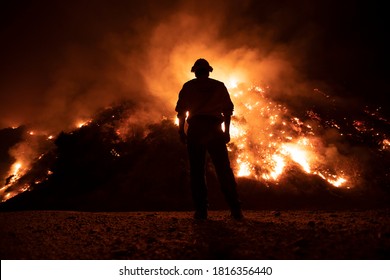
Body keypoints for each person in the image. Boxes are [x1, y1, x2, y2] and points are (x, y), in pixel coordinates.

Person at [175, 58, 243, 220]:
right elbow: (227, 111)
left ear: (195, 72)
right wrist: (226, 132)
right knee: (223, 170)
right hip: (214, 129)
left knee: (197, 172)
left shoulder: (188, 86)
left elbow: (181, 113)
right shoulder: (219, 86)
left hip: (196, 129)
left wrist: (181, 132)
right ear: (208, 71)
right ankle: (236, 210)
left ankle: (201, 211)